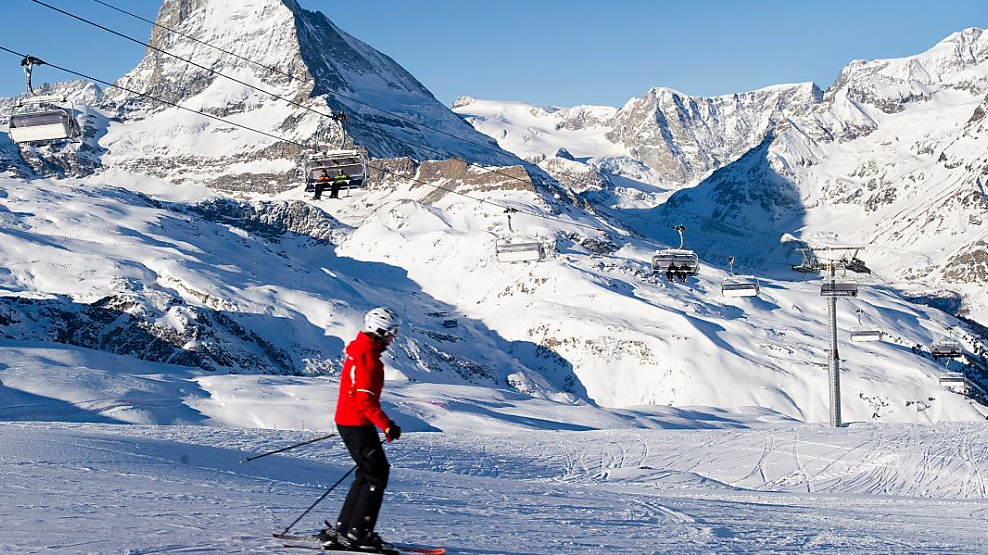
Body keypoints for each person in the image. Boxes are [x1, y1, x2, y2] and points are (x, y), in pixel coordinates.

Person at [321, 307, 402, 554]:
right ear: (378, 330)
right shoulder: (367, 356)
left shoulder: (362, 351)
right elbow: (364, 401)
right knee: (376, 474)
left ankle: (346, 528)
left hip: (353, 421)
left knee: (368, 474)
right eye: (391, 332)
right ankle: (359, 532)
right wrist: (387, 425)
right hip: (356, 422)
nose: (393, 338)